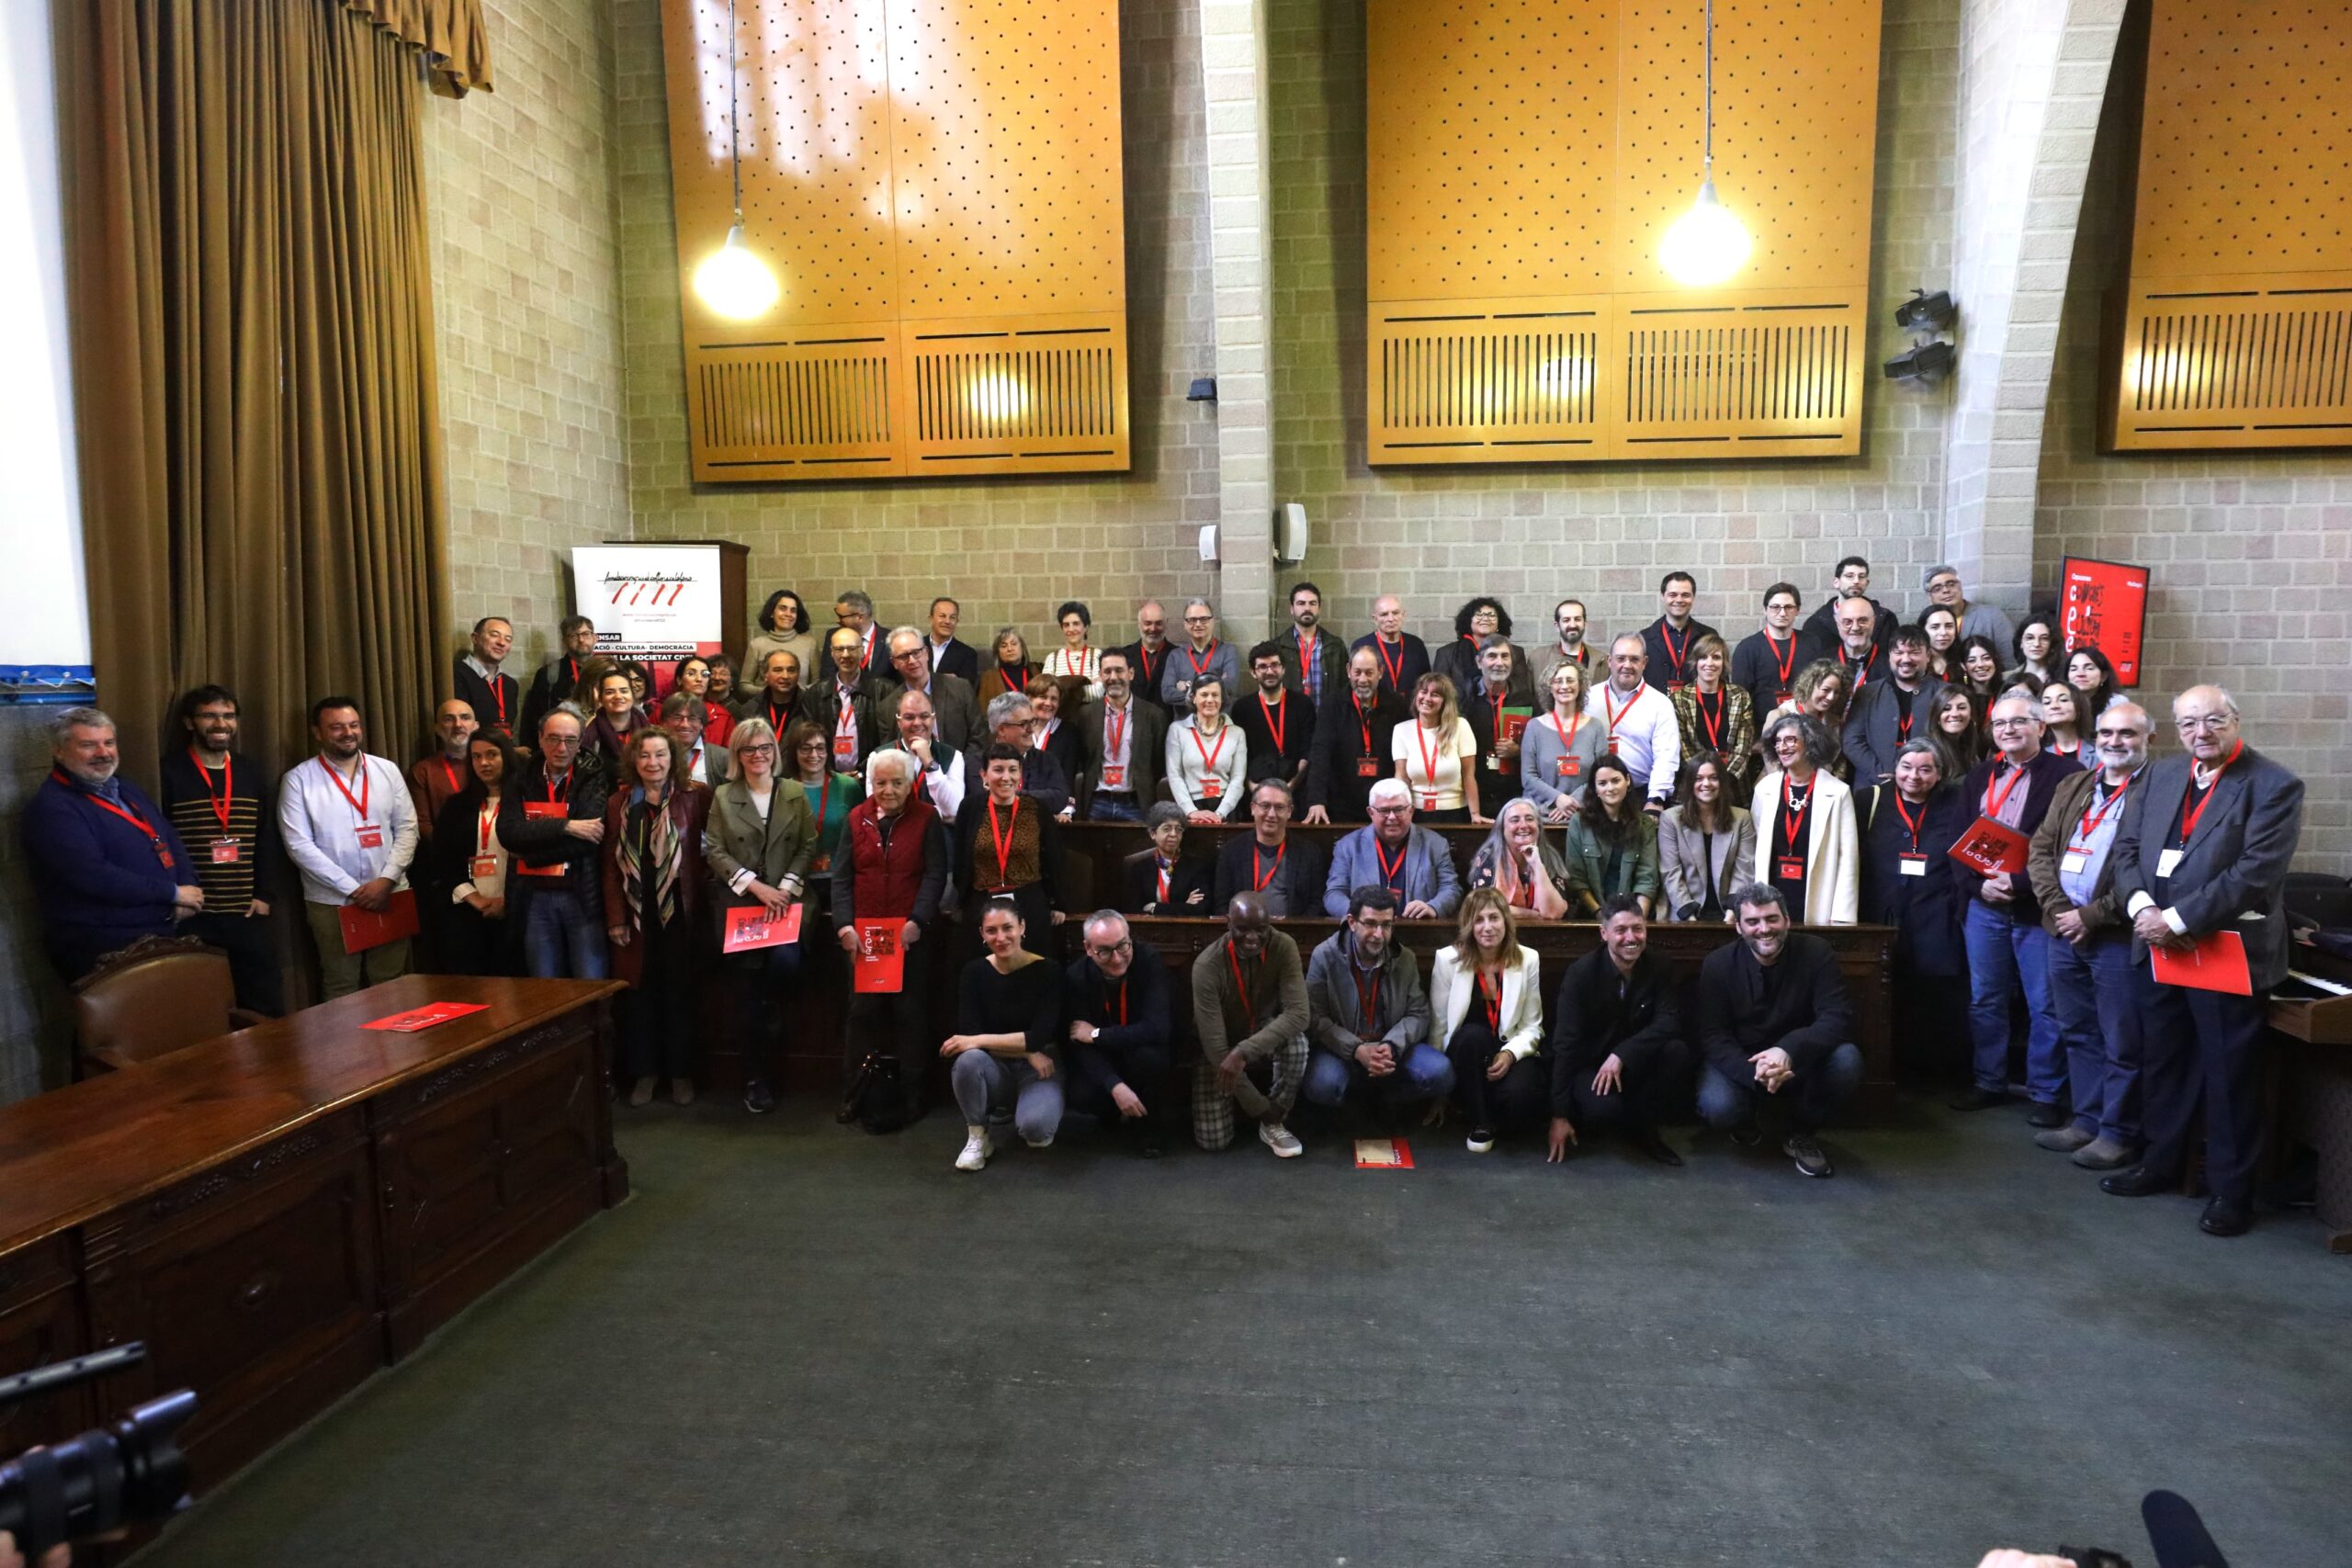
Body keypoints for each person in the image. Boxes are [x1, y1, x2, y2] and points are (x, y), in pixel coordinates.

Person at [2100, 685, 2304, 1236]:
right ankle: (2160, 1162)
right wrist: (2143, 908)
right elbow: (2125, 850)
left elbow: (2256, 872)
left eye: (2213, 720)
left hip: (2223, 948)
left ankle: (2231, 1192)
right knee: (2163, 1060)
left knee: (2228, 1073)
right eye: (2189, 723)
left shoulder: (2273, 784)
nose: (2201, 732)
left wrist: (2180, 919)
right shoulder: (2162, 776)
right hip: (2155, 942)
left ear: (2235, 720)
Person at [2025, 702, 2152, 1170]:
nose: (2115, 742)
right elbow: (2040, 849)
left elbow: (2149, 874)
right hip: (2062, 932)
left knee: (2121, 1039)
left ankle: (2118, 1133)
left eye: (2127, 734)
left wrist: (2092, 916)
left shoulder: (2155, 792)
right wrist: (2061, 911)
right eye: (2107, 733)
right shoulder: (2074, 783)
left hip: (2115, 936)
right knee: (2077, 1030)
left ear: (2147, 740)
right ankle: (2087, 1119)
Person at [1950, 691, 2075, 1121]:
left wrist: (2020, 883)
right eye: (2000, 724)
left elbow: (2072, 848)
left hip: (2037, 909)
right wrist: (1977, 886)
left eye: (2019, 722)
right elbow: (1959, 842)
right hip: (1984, 906)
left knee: (2045, 1004)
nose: (2008, 730)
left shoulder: (2069, 775)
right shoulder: (1979, 776)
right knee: (1985, 999)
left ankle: (2046, 1093)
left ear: (2041, 727)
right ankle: (1989, 1081)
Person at [1694, 886, 1863, 1178]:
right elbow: (1713, 1035)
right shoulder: (1718, 964)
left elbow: (1836, 1018)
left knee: (1847, 1060)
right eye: (1753, 922)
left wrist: (1787, 1051)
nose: (1764, 929)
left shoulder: (1817, 953)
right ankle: (1747, 1120)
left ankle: (1802, 1133)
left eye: (1772, 919)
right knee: (1718, 1106)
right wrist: (1757, 1073)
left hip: (1801, 1059)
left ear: (1787, 920)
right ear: (1738, 927)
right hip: (1743, 1061)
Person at [24, 706, 201, 982]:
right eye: (88, 745)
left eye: (109, 743)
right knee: (122, 1024)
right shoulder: (52, 808)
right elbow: (91, 875)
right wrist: (172, 893)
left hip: (157, 929)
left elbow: (168, 836)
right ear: (58, 751)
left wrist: (187, 887)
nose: (103, 753)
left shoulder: (125, 788)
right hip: (102, 942)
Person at [704, 718, 817, 1115]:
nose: (758, 756)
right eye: (749, 749)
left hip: (787, 901)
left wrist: (784, 887)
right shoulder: (722, 795)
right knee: (749, 990)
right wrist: (757, 887)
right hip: (744, 902)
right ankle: (756, 1078)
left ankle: (771, 1028)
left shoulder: (794, 791)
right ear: (737, 754)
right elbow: (714, 850)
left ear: (775, 750)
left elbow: (807, 844)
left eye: (765, 747)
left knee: (785, 966)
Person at [834, 746, 949, 1128]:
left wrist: (918, 920)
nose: (887, 789)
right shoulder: (856, 818)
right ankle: (855, 1095)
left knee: (911, 1015)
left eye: (896, 782)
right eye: (880, 782)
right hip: (864, 939)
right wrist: (845, 926)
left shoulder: (927, 818)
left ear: (909, 783)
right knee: (861, 1016)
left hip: (909, 936)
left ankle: (914, 1096)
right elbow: (842, 878)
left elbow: (935, 874)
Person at [279, 695, 419, 998]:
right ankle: (350, 1046)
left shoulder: (387, 770)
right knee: (341, 984)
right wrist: (353, 889)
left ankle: (394, 1046)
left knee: (392, 981)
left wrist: (385, 881)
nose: (348, 733)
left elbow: (408, 828)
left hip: (391, 892)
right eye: (337, 727)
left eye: (353, 725)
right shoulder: (298, 780)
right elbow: (298, 845)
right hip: (332, 901)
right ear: (317, 732)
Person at [601, 728, 712, 1107]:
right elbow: (610, 867)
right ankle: (645, 1074)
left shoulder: (695, 797)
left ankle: (680, 1074)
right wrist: (616, 917)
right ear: (634, 760)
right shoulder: (619, 802)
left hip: (680, 910)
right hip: (636, 911)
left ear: (673, 759)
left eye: (661, 755)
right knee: (640, 995)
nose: (653, 763)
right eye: (645, 756)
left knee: (679, 994)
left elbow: (709, 854)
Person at [159, 684, 284, 1012]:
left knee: (264, 1003)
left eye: (228, 716)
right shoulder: (168, 772)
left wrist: (265, 894)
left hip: (247, 910)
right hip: (197, 914)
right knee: (203, 1006)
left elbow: (265, 836)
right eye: (209, 716)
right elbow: (161, 843)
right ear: (190, 723)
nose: (220, 724)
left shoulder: (249, 770)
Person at [1854, 740, 1970, 1083]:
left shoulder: (1957, 803)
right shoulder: (1869, 801)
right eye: (1907, 767)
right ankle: (1884, 1067)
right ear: (1895, 769)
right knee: (1885, 990)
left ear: (1939, 773)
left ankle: (1930, 1074)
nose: (1914, 777)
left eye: (1925, 769)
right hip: (1881, 912)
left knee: (1933, 994)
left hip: (1937, 913)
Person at [1546, 895, 1692, 1166]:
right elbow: (1565, 1044)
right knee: (1603, 1111)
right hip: (1591, 1065)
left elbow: (1669, 1021)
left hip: (1634, 1061)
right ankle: (1605, 1120)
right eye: (1621, 930)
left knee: (1677, 1052)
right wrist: (1559, 1115)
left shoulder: (1659, 965)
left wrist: (1622, 1054)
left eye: (1637, 928)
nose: (1631, 937)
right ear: (1604, 933)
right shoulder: (1581, 974)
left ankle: (1644, 1129)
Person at [1301, 886, 1448, 1127]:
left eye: (1386, 925)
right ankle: (1352, 1109)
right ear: (1351, 922)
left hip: (1390, 1050)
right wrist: (1356, 1049)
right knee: (1324, 1085)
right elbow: (1314, 1017)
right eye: (1370, 923)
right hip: (1342, 1050)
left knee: (1441, 1073)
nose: (1379, 934)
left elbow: (1418, 1013)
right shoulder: (1324, 956)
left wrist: (1391, 1045)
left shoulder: (1405, 958)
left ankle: (1388, 1098)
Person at [943, 898, 1066, 1170]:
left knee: (1037, 1132)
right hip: (997, 1065)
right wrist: (1025, 1051)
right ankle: (978, 1136)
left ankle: (1024, 1108)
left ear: (1022, 927)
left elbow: (1038, 1036)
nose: (1000, 937)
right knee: (968, 1061)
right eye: (991, 930)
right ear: (982, 934)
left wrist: (976, 1040)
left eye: (1008, 928)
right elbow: (972, 1039)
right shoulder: (973, 973)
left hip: (1041, 1068)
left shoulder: (1049, 970)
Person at [1189, 891, 1309, 1156]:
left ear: (1270, 924)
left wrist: (1244, 1051)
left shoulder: (1283, 946)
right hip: (1218, 1043)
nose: (1253, 938)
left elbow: (1299, 1014)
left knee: (1297, 1044)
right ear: (1228, 923)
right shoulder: (1207, 965)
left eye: (1261, 929)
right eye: (1243, 929)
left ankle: (1273, 1125)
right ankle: (1268, 1115)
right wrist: (1260, 1108)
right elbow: (1217, 1050)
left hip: (1259, 1030)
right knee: (1214, 1141)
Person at [1431, 887, 1547, 1152]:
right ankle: (1480, 1122)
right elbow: (1438, 1026)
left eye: (1494, 918)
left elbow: (1532, 1026)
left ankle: (1491, 1112)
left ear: (1506, 921)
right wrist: (1438, 1093)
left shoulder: (1528, 959)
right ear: (1468, 926)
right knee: (1473, 1035)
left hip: (1509, 1050)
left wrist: (1509, 1054)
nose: (1487, 927)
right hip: (1467, 1055)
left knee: (1521, 1098)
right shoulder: (1447, 960)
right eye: (1479, 920)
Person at [501, 703, 611, 980]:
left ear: (580, 742)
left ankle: (590, 1026)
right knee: (544, 983)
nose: (562, 747)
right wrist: (567, 825)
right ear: (540, 739)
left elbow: (589, 840)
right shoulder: (520, 778)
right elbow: (509, 833)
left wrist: (530, 854)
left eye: (570, 740)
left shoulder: (594, 777)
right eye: (553, 738)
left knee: (590, 980)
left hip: (581, 894)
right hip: (533, 895)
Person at [1062, 910, 1177, 1156]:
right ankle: (1112, 1111)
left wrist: (1097, 1035)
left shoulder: (1149, 962)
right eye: (1104, 951)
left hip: (1143, 1052)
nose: (1116, 959)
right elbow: (1078, 1044)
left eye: (1123, 946)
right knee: (1079, 1093)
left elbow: (1158, 1029)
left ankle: (1147, 1129)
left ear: (1130, 938)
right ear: (1088, 948)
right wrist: (1115, 1086)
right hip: (1105, 1058)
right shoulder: (1075, 978)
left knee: (1149, 1058)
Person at [425, 730, 521, 976]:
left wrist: (508, 901)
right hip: (467, 913)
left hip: (516, 911)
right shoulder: (457, 806)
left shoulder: (525, 802)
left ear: (506, 757)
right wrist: (474, 898)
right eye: (476, 757)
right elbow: (442, 859)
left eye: (491, 755)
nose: (484, 763)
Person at [1749, 712, 1859, 925]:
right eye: (1778, 741)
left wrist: (1843, 916)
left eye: (1790, 740)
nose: (1782, 747)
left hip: (1818, 896)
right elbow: (1754, 849)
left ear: (1810, 743)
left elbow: (1848, 859)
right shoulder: (1765, 789)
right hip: (1772, 893)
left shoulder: (1838, 792)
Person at [956, 742, 1067, 939]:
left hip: (1029, 902)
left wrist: (1058, 904)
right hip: (982, 902)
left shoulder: (1037, 808)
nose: (1006, 777)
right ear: (984, 775)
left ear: (1020, 775)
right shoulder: (970, 808)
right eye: (998, 770)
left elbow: (1054, 859)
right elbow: (960, 859)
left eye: (1013, 770)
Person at [1322, 781, 1463, 919]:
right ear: (1371, 812)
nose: (1392, 817)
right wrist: (1360, 915)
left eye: (1399, 809)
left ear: (1411, 810)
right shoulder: (1348, 846)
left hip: (1417, 932)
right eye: (1383, 810)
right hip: (1365, 935)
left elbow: (1451, 888)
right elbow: (1334, 893)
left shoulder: (1435, 844)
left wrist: (1433, 907)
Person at [1305, 646, 1405, 825]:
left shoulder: (1398, 706)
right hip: (1341, 805)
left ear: (1380, 672)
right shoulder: (1332, 705)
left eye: (1369, 673)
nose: (1363, 679)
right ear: (1348, 671)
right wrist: (1316, 800)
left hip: (1385, 806)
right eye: (1357, 672)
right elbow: (1320, 754)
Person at [1657, 750, 1755, 923]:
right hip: (1684, 915)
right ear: (1689, 783)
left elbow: (1744, 871)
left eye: (1713, 778)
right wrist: (1690, 918)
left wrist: (1731, 915)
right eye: (1699, 778)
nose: (1706, 784)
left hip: (1731, 916)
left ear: (1722, 782)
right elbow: (1671, 874)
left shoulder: (1742, 818)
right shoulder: (1670, 819)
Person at [1559, 755, 1661, 918]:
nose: (1610, 788)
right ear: (1595, 788)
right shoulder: (1579, 822)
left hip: (1634, 913)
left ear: (1627, 781)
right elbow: (1577, 880)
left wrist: (1637, 921)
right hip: (1591, 914)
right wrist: (1601, 916)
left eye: (1615, 781)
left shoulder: (1644, 824)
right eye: (1602, 783)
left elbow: (1646, 879)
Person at [1586, 635, 1680, 810]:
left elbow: (1666, 756)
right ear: (1609, 661)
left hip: (1640, 797)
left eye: (1634, 659)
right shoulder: (1588, 698)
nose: (1627, 665)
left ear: (1644, 663)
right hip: (1595, 794)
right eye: (1621, 658)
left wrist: (1656, 799)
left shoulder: (1660, 704)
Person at [1842, 626, 1946, 784]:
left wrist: (1924, 775)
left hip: (1929, 786)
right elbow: (1851, 741)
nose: (1906, 659)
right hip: (1875, 786)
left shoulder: (1945, 694)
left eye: (1914, 652)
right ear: (1890, 656)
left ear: (1929, 656)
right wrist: (1881, 773)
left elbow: (1952, 742)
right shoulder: (1866, 693)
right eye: (1899, 652)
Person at [1209, 779, 1327, 916]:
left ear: (1290, 811)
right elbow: (1222, 903)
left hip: (1294, 933)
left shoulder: (1310, 853)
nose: (1271, 814)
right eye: (1265, 806)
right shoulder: (1231, 851)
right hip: (1244, 932)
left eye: (1279, 807)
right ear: (1253, 808)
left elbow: (1317, 903)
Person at [1076, 648, 1164, 821]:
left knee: (1138, 849)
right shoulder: (1086, 715)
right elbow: (1083, 759)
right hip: (1097, 801)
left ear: (1130, 674)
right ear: (1100, 675)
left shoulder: (1153, 715)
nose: (1113, 677)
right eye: (1107, 672)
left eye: (1119, 670)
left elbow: (1158, 762)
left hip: (1136, 803)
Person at [783, 718, 864, 904]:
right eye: (806, 748)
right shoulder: (783, 790)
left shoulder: (848, 787)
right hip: (796, 882)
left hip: (842, 880)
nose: (814, 754)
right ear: (794, 753)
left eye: (820, 748)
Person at [1520, 660, 1607, 824]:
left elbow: (1602, 774)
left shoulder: (1596, 727)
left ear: (1580, 685)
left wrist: (1572, 802)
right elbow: (1528, 777)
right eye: (1558, 681)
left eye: (1570, 680)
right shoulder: (1534, 727)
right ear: (1549, 687)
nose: (1565, 686)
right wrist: (1557, 798)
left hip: (1584, 815)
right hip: (1541, 817)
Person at [1394, 672, 1481, 824]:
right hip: (1415, 814)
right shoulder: (1401, 730)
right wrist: (1398, 813)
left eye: (1435, 695)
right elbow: (1401, 777)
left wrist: (1475, 814)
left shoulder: (1461, 726)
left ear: (1445, 703)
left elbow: (1468, 776)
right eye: (1423, 692)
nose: (1427, 698)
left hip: (1454, 813)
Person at [879, 626, 980, 756]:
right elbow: (890, 754)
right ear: (894, 663)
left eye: (916, 652)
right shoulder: (887, 707)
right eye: (904, 656)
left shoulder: (961, 689)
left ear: (926, 653)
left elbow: (978, 738)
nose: (912, 660)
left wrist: (959, 770)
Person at [1671, 633, 1757, 788]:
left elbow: (1743, 747)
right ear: (1695, 662)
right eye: (1703, 657)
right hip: (1695, 785)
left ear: (1724, 663)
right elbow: (1683, 748)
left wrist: (1725, 780)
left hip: (1733, 785)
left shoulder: (1740, 696)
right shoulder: (1678, 699)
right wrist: (1706, 779)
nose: (1709, 663)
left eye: (1716, 657)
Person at [1732, 582, 1821, 729]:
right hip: (1762, 731)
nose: (1782, 612)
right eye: (1775, 607)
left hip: (1805, 729)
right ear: (1765, 610)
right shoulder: (1747, 648)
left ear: (1797, 610)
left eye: (1788, 607)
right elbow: (1740, 700)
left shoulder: (1812, 643)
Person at [799, 626, 887, 773]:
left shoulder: (883, 690)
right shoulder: (815, 694)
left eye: (852, 649)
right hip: (829, 778)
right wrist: (831, 773)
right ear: (832, 653)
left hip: (871, 777)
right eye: (839, 649)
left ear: (862, 652)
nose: (845, 655)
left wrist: (862, 772)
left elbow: (887, 741)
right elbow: (810, 740)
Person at [1466, 797, 1573, 919]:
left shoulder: (1549, 856)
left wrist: (1537, 864)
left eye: (1529, 819)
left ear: (1539, 826)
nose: (1523, 825)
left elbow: (1553, 912)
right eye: (1515, 820)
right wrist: (1532, 915)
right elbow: (1485, 907)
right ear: (1502, 829)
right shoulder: (1489, 857)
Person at [1460, 636, 1531, 815]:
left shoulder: (1526, 700)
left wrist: (1518, 751)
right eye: (1492, 656)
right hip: (1475, 793)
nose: (1499, 662)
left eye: (1505, 656)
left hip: (1515, 793)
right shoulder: (1463, 701)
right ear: (1479, 662)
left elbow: (1540, 746)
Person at [974, 691, 1072, 816]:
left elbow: (1059, 799)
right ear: (1002, 729)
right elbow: (982, 801)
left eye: (1032, 722)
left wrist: (1012, 793)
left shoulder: (1047, 759)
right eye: (1024, 724)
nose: (1031, 729)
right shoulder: (977, 761)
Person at [1166, 675, 1248, 823]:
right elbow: (1174, 775)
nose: (1210, 700)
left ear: (1222, 699)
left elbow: (1238, 778)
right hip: (1189, 809)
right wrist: (1191, 811)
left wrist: (1220, 813)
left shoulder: (1237, 733)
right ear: (1193, 698)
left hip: (1226, 810)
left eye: (1215, 695)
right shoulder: (1177, 730)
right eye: (1204, 695)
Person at [877, 687, 967, 819]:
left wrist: (929, 762)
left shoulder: (953, 756)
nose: (917, 723)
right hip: (896, 836)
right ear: (898, 722)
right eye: (909, 717)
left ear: (933, 719)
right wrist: (937, 814)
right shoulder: (879, 756)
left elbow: (953, 809)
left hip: (939, 837)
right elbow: (881, 809)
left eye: (924, 716)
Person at [1237, 642, 1315, 792]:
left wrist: (1291, 785)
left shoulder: (1303, 704)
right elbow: (1239, 757)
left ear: (1283, 669)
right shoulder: (1242, 708)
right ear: (1253, 672)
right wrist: (1252, 787)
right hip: (1255, 790)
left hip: (1295, 789)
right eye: (1262, 666)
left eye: (1274, 665)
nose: (1270, 671)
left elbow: (1308, 751)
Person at [1122, 801, 1210, 913]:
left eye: (1178, 829)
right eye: (1166, 829)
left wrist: (1154, 907)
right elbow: (1134, 910)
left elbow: (1201, 909)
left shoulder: (1196, 866)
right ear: (1152, 834)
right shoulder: (1139, 869)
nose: (1173, 834)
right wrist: (1185, 906)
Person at [1639, 571, 1720, 694]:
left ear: (1693, 597)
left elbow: (1720, 678)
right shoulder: (1644, 638)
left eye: (1685, 595)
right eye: (1673, 595)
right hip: (1655, 709)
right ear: (1662, 596)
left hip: (1697, 708)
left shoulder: (1708, 636)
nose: (1679, 600)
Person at [522, 615, 597, 743]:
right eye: (573, 635)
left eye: (586, 634)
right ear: (564, 642)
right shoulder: (548, 673)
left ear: (595, 638)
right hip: (561, 744)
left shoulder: (607, 670)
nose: (581, 640)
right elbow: (535, 717)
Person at [410, 698, 479, 834]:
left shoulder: (489, 765)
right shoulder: (422, 771)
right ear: (437, 728)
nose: (458, 725)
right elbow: (422, 825)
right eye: (448, 719)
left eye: (465, 718)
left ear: (476, 725)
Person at [1801, 556, 1894, 656]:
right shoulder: (1815, 624)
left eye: (1861, 576)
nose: (1856, 581)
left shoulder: (1887, 619)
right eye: (1850, 576)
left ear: (1867, 583)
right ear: (1836, 582)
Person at [1162, 598, 1240, 708]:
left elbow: (1230, 688)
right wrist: (1216, 686)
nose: (1198, 624)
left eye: (1204, 619)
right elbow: (1167, 694)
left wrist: (1188, 686)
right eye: (1192, 620)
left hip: (1219, 722)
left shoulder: (1228, 651)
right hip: (1185, 724)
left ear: (1212, 621)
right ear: (1185, 624)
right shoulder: (1175, 656)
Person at [1275, 581, 1345, 705]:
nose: (1307, 608)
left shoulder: (1335, 646)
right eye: (1301, 603)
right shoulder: (1277, 647)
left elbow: (1345, 686)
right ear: (1292, 609)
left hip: (1326, 718)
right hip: (1292, 719)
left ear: (1319, 608)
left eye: (1312, 603)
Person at [1922, 563, 2016, 654]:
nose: (1946, 590)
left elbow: (2010, 657)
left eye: (1951, 584)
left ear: (1960, 586)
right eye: (1937, 588)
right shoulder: (1926, 623)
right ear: (1929, 596)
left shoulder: (1992, 615)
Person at [1351, 592, 1431, 699]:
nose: (1391, 619)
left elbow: (1426, 683)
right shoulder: (1361, 646)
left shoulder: (1416, 645)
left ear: (1403, 615)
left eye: (1395, 613)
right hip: (1376, 711)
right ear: (1375, 619)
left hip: (1410, 712)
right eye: (1384, 614)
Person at [452, 615, 520, 738]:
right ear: (475, 638)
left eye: (508, 639)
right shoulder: (455, 675)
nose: (501, 642)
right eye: (494, 635)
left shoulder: (510, 685)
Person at [1024, 675, 1085, 807]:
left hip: (1054, 806)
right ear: (1029, 699)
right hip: (1021, 803)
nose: (1048, 703)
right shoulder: (1019, 728)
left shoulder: (1069, 732)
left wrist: (1066, 809)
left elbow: (1068, 773)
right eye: (1043, 697)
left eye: (1054, 699)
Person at [1431, 596, 1512, 694]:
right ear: (1469, 621)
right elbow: (1439, 692)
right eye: (1479, 615)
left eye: (1491, 615)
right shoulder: (1446, 653)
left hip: (1503, 708)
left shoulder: (1515, 652)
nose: (1486, 618)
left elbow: (1519, 693)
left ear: (1499, 623)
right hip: (1459, 709)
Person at [744, 590, 819, 694]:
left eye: (793, 610)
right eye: (783, 609)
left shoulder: (810, 644)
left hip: (800, 706)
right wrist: (771, 693)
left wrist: (798, 692)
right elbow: (744, 685)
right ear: (771, 613)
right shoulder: (757, 645)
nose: (788, 614)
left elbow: (818, 683)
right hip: (765, 707)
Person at [1114, 600, 1175, 715]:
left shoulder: (1177, 655)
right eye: (1148, 623)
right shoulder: (1124, 657)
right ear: (1139, 624)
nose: (1153, 629)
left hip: (1167, 726)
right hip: (1133, 725)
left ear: (1166, 623)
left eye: (1158, 623)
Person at [662, 694, 729, 788]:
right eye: (677, 717)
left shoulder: (724, 758)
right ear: (665, 723)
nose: (685, 725)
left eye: (692, 718)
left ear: (702, 724)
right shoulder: (651, 757)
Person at [1528, 597, 1595, 691]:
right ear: (1557, 626)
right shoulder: (1537, 659)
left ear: (1585, 624)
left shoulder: (1600, 660)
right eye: (1566, 620)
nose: (1572, 625)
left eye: (1577, 619)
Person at [1041, 600, 1103, 699]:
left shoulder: (1098, 655)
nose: (1071, 629)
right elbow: (1046, 693)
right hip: (1061, 714)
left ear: (1086, 627)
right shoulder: (1052, 659)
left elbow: (1097, 693)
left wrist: (1062, 689)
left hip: (1091, 714)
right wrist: (1089, 684)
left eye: (1076, 624)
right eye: (1066, 625)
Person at [737, 649, 805, 739]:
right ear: (765, 675)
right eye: (778, 670)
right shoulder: (751, 709)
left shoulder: (810, 707)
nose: (785, 676)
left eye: (791, 670)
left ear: (798, 674)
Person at [585, 667, 641, 775]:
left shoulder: (649, 730)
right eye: (610, 692)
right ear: (601, 698)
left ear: (633, 695)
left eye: (624, 691)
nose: (618, 696)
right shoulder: (589, 735)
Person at [1928, 686, 1987, 784]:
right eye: (1946, 709)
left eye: (1962, 708)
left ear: (1971, 713)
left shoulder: (1970, 745)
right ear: (1936, 715)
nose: (1955, 714)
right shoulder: (1929, 752)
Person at [1828, 595, 1883, 698]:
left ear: (1873, 622)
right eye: (1847, 622)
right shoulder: (1823, 663)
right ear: (1838, 624)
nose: (1855, 627)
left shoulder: (1889, 664)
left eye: (1862, 620)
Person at [673, 657, 732, 745]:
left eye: (704, 674)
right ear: (679, 680)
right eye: (691, 674)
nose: (699, 679)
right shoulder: (662, 713)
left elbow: (728, 755)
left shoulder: (723, 716)